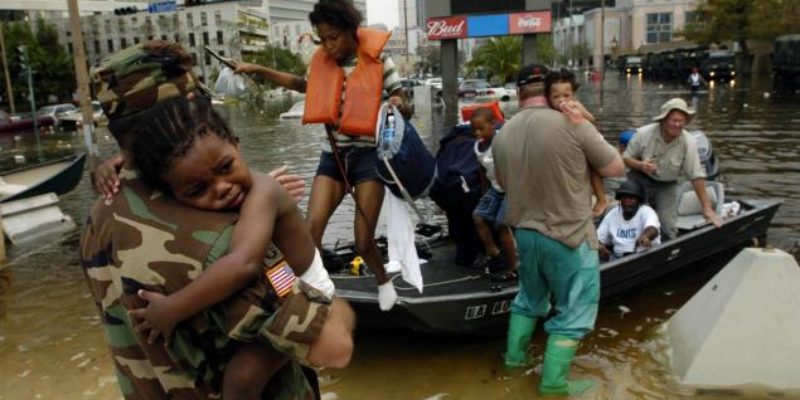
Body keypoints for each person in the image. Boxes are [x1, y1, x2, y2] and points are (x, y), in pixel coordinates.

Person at [81, 40, 354, 399]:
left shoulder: (99, 215)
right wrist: (338, 308)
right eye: (198, 188)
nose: (221, 189)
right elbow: (335, 345)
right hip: (296, 283)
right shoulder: (217, 240)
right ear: (195, 107)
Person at [234, 0, 411, 311]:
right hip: (334, 157)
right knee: (309, 230)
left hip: (369, 158)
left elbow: (406, 103)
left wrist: (397, 102)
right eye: (323, 39)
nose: (329, 46)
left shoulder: (380, 59)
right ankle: (312, 295)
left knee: (363, 240)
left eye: (334, 37)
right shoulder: (322, 63)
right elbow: (302, 85)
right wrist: (258, 69)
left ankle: (383, 281)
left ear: (350, 30)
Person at [492, 64, 624, 396]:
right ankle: (553, 385)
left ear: (520, 91)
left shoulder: (502, 132)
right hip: (570, 236)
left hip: (525, 235)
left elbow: (503, 184)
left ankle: (514, 362)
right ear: (549, 88)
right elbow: (615, 167)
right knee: (574, 311)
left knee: (528, 300)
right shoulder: (573, 122)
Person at [623, 98, 722, 241]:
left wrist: (707, 209)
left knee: (668, 227)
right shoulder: (643, 134)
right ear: (663, 120)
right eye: (674, 120)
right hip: (639, 180)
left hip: (666, 185)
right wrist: (641, 165)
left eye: (681, 121)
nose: (677, 125)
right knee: (634, 220)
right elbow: (626, 158)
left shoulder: (688, 142)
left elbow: (696, 176)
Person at [544, 68, 609, 217]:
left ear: (573, 94)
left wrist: (581, 113)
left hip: (580, 146)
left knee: (593, 167)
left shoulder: (576, 106)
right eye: (556, 96)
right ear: (548, 97)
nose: (562, 100)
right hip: (560, 152)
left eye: (566, 95)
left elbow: (592, 121)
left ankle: (601, 199)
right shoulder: (548, 113)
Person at [470, 108, 517, 280]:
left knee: (501, 224)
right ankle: (494, 252)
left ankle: (513, 267)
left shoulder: (501, 141)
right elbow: (482, 170)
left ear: (493, 125)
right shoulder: (477, 147)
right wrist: (484, 191)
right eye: (474, 129)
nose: (477, 133)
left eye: (481, 128)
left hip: (511, 188)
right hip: (496, 188)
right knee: (478, 216)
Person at [597, 180, 661, 261]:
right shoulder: (613, 214)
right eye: (624, 197)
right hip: (617, 259)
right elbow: (598, 238)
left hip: (643, 257)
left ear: (639, 200)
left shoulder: (646, 211)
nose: (627, 201)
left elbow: (652, 228)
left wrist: (644, 237)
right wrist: (599, 246)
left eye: (631, 198)